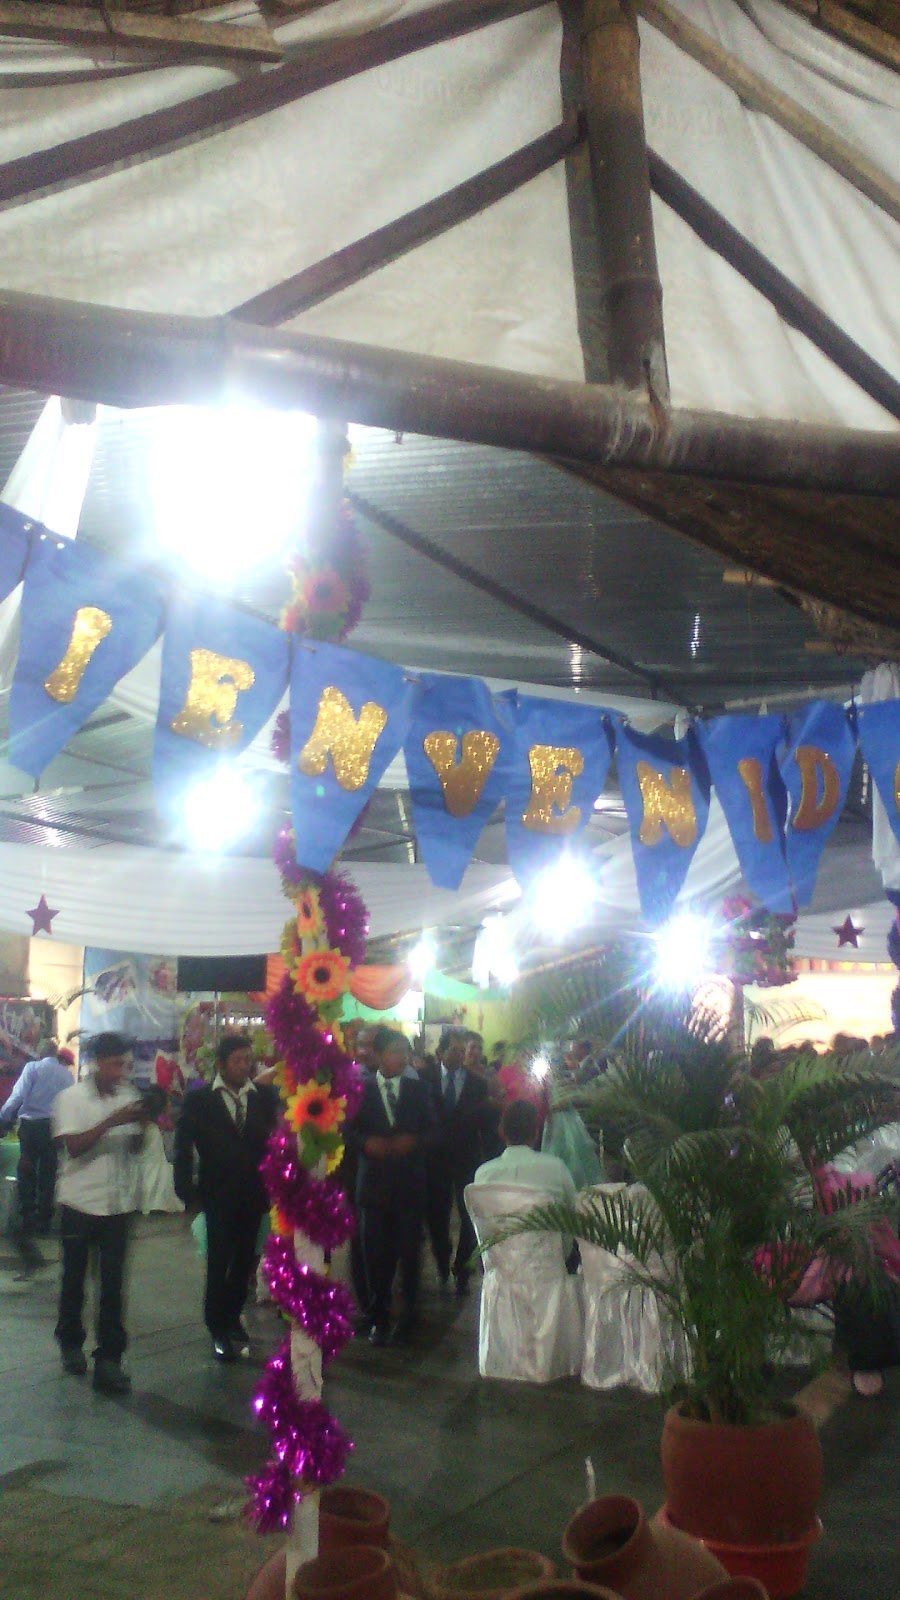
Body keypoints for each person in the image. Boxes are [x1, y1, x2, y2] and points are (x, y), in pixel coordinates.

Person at [52, 1031, 148, 1394]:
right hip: (80, 1202)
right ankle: (70, 1342)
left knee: (112, 1285)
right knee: (74, 1279)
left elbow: (135, 1147)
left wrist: (142, 1123)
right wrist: (113, 1120)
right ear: (96, 1063)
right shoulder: (71, 1098)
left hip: (117, 1206)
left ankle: (109, 1358)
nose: (120, 1071)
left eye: (124, 1064)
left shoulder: (129, 1095)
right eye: (114, 1064)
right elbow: (74, 1147)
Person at [173, 1033, 279, 1362]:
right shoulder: (201, 1100)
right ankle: (216, 1325)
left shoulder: (262, 1097)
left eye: (248, 1060)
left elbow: (272, 1141)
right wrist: (186, 1190)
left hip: (254, 1192)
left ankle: (232, 1315)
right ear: (220, 1064)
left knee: (246, 1260)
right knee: (219, 1261)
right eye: (238, 1060)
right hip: (217, 1193)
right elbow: (183, 1146)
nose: (245, 1066)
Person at [348, 1026, 435, 1346]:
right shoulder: (360, 1090)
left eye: (405, 1052)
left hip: (409, 1186)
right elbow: (347, 1129)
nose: (402, 1058)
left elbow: (434, 1130)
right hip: (373, 1187)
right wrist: (365, 1143)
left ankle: (409, 1315)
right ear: (380, 1055)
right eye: (395, 1052)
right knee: (375, 1255)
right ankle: (379, 1317)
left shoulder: (418, 1090)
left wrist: (413, 1142)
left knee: (409, 1254)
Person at [425, 1026, 493, 1297]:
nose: (460, 1055)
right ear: (441, 1052)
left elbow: (485, 1125)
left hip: (467, 1157)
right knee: (437, 1214)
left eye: (463, 1051)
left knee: (468, 1214)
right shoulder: (426, 1079)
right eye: (454, 1050)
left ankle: (463, 1267)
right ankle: (442, 1257)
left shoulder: (477, 1084)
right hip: (435, 1159)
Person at [0, 1039, 74, 1239]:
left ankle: (27, 1218)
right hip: (54, 1128)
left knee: (27, 1170)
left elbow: (18, 1096)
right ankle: (44, 1220)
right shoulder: (66, 1075)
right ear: (55, 1054)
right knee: (48, 1173)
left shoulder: (32, 1068)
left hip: (31, 1127)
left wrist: (3, 1117)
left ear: (40, 1054)